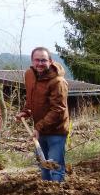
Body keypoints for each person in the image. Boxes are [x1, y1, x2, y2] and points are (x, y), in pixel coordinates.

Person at [16, 47, 70, 181]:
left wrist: (38, 127)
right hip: (40, 130)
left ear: (50, 61)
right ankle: (46, 191)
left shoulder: (58, 81)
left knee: (55, 167)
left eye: (43, 60)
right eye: (37, 60)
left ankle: (57, 191)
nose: (40, 63)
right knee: (43, 166)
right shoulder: (29, 75)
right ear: (32, 61)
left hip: (56, 131)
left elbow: (58, 109)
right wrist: (26, 111)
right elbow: (32, 99)